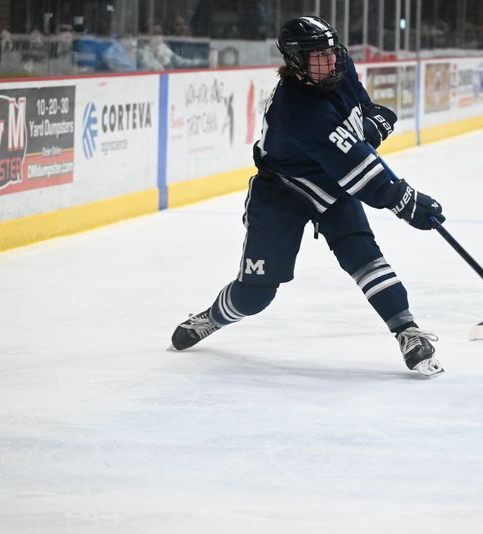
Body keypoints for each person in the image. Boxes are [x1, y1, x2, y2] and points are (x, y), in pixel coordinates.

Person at [170, 16, 446, 378]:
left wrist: (375, 118)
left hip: (329, 181)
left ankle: (407, 330)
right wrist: (405, 201)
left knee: (363, 255)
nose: (330, 61)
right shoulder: (296, 111)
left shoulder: (339, 66)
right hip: (282, 191)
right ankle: (213, 316)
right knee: (255, 296)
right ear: (295, 61)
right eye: (318, 55)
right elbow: (363, 173)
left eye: (331, 51)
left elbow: (361, 107)